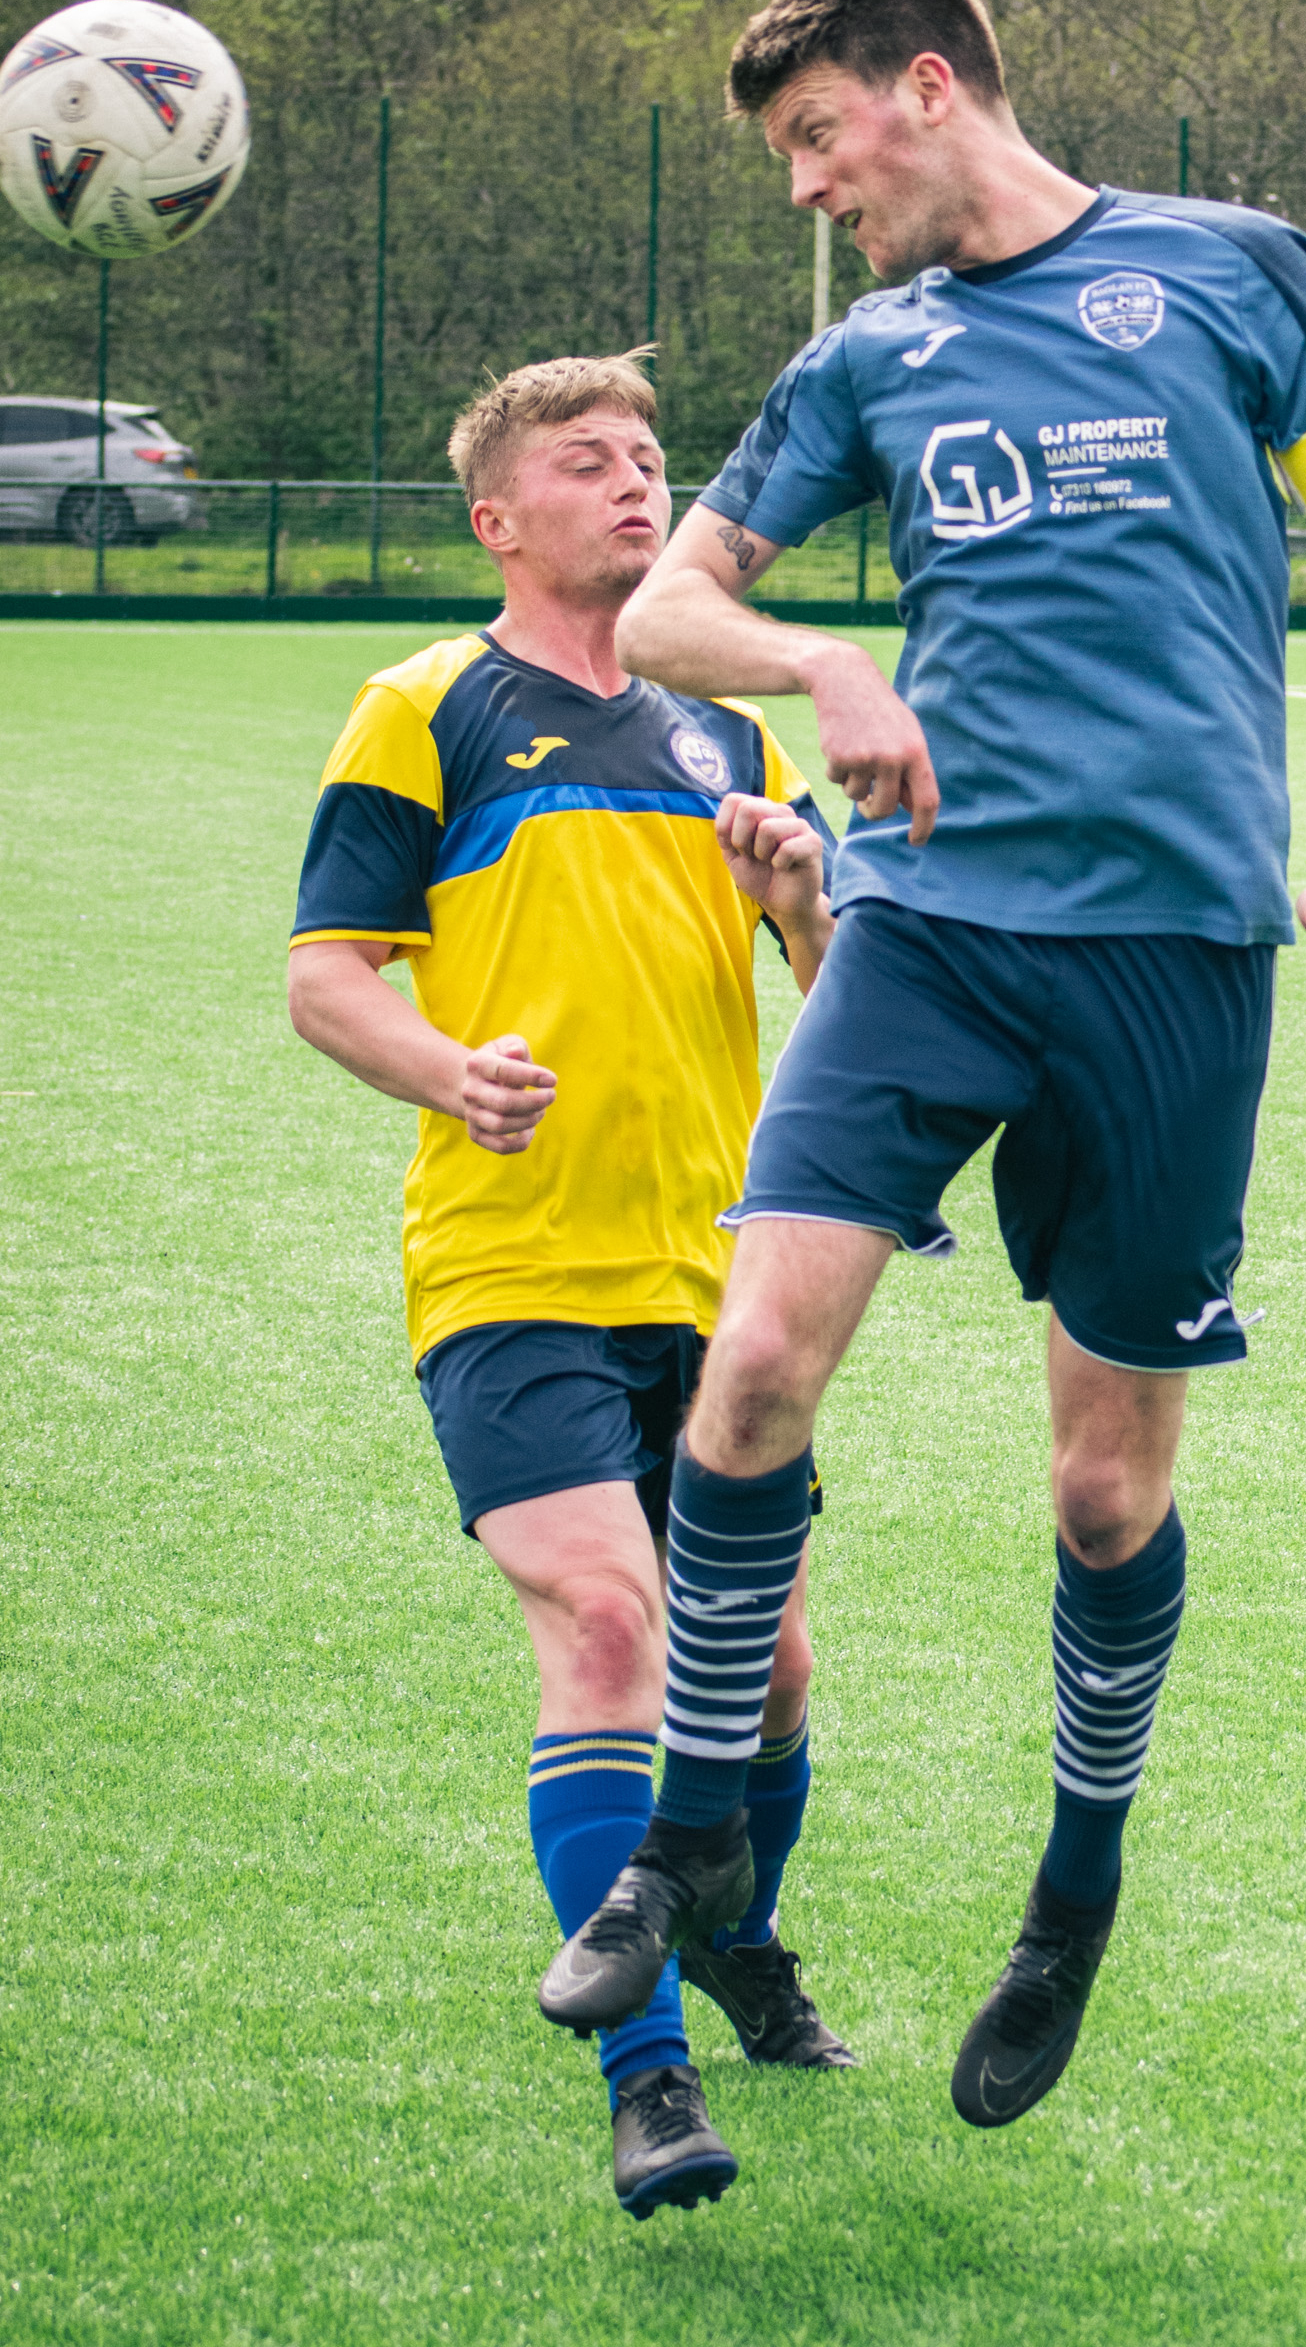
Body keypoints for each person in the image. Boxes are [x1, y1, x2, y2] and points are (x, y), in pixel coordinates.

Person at [538, 0, 1306, 2134]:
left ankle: (1075, 1891)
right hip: (930, 926)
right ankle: (687, 1839)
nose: (806, 192)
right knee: (752, 1371)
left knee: (1103, 1486)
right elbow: (665, 603)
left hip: (1174, 958)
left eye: (817, 142)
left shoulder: (1241, 277)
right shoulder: (873, 356)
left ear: (927, 89)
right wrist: (827, 669)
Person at [287, 353, 859, 2223]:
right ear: (496, 518)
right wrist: (450, 1069)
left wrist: (797, 898)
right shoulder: (423, 708)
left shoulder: (727, 739)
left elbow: (843, 993)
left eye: (649, 461)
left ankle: (742, 1940)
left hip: (722, 1286)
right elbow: (329, 976)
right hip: (512, 1267)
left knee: (762, 1678)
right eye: (587, 463)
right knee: (612, 1629)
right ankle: (650, 2077)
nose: (635, 485)